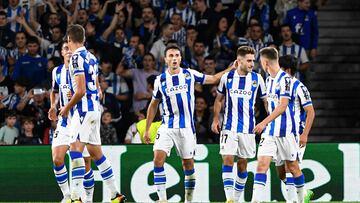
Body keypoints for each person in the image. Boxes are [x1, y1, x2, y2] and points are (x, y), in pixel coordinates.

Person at [144, 44, 233, 203]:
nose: (174, 59)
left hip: (186, 129)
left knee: (188, 166)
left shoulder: (189, 74)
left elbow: (212, 79)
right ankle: (162, 199)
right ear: (165, 60)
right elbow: (153, 105)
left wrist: (229, 69)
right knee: (157, 159)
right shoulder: (160, 80)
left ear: (180, 58)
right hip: (167, 127)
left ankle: (188, 199)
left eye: (177, 55)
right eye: (170, 56)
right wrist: (147, 129)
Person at [59, 24, 125, 203]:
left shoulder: (74, 59)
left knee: (75, 151)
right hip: (95, 109)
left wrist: (66, 108)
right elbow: (97, 87)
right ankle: (115, 194)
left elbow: (80, 91)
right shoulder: (92, 57)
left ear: (69, 40)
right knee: (97, 154)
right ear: (84, 39)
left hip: (83, 111)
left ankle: (74, 197)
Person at [211, 46, 267, 203]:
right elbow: (218, 100)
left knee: (242, 165)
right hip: (229, 127)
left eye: (253, 60)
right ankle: (230, 198)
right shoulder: (227, 77)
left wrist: (270, 119)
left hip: (248, 129)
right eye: (249, 61)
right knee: (227, 159)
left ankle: (236, 198)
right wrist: (216, 119)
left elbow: (265, 101)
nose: (252, 64)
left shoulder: (257, 79)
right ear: (239, 61)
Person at [251, 47, 305, 203]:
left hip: (287, 131)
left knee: (293, 168)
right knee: (261, 164)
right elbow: (272, 104)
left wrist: (263, 122)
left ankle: (300, 200)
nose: (260, 65)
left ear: (265, 62)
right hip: (270, 132)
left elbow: (283, 106)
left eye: (260, 61)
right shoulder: (268, 79)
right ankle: (256, 200)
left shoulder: (286, 79)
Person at [48, 41, 94, 203]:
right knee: (57, 159)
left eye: (70, 48)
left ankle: (88, 199)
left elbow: (94, 88)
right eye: (65, 49)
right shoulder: (57, 72)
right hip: (65, 121)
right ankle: (68, 196)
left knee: (86, 162)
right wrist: (53, 106)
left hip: (81, 120)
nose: (68, 51)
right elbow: (53, 91)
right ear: (61, 52)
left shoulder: (82, 67)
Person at [277, 55, 315, 203]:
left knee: (290, 168)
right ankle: (304, 192)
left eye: (279, 67)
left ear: (287, 70)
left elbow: (310, 111)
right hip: (279, 133)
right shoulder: (277, 84)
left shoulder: (299, 87)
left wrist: (304, 134)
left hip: (295, 133)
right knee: (281, 173)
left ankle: (292, 201)